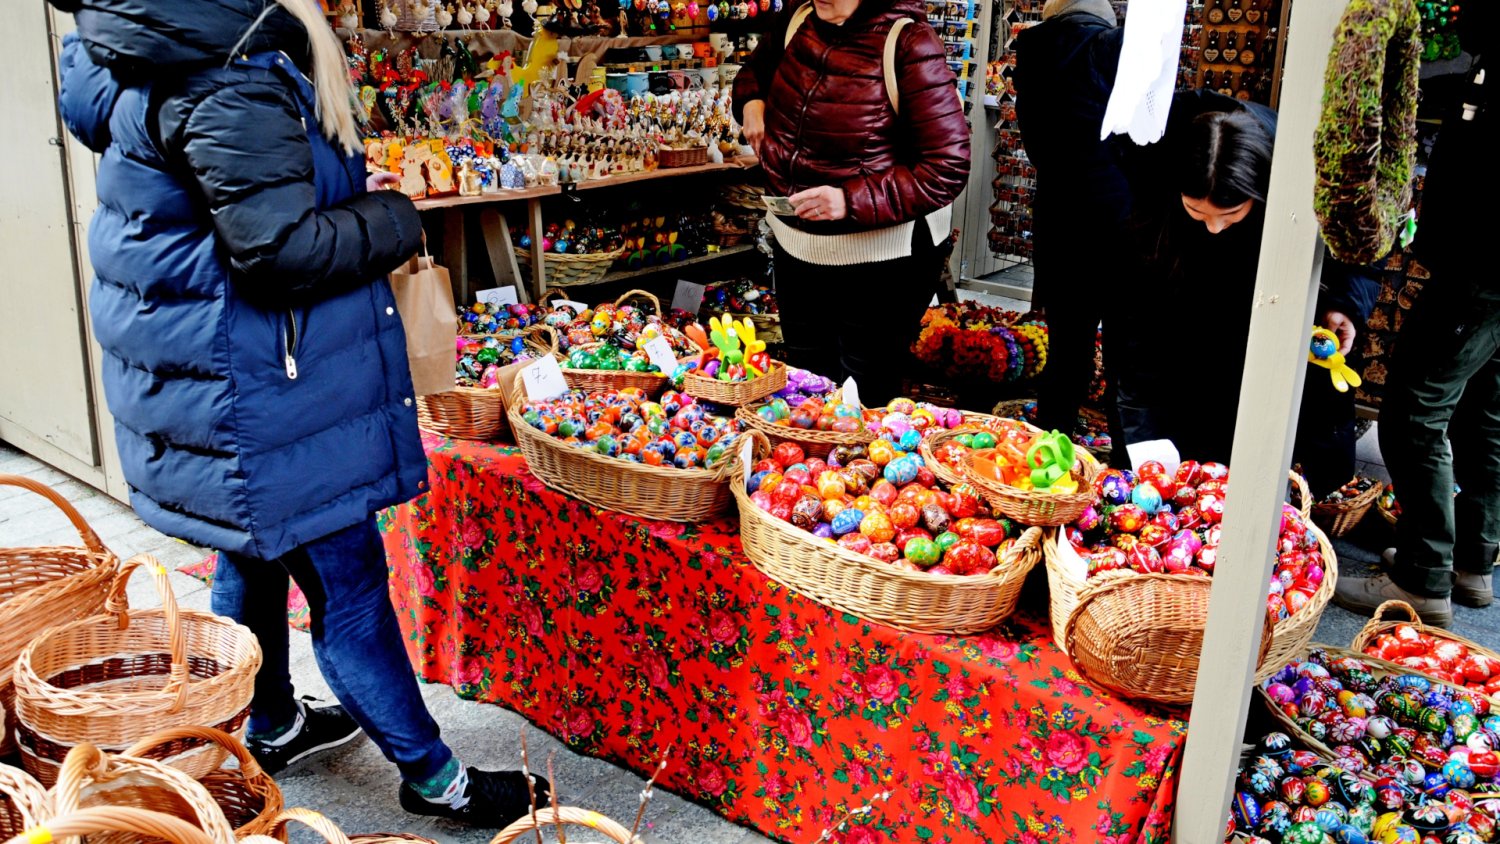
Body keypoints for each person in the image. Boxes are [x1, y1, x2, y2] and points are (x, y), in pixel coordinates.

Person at [51, 0, 547, 825]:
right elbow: (278, 250)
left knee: (255, 549)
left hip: (216, 381)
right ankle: (436, 779)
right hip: (258, 389)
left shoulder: (150, 54)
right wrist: (392, 219)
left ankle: (269, 720)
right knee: (348, 583)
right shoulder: (227, 79)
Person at [1113, 90, 1378, 491]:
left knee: (1258, 475)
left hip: (1268, 339)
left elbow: (1357, 255)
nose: (1214, 227)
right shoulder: (1154, 205)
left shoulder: (1307, 181)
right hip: (1185, 342)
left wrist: (1344, 304)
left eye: (1231, 214)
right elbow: (1137, 340)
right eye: (1196, 211)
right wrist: (1143, 451)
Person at [1334, 15, 1494, 629]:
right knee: (1485, 414)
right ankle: (1470, 563)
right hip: (1483, 267)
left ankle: (1425, 574)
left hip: (1478, 267)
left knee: (1412, 411)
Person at [733, 0, 970, 406]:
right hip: (798, 248)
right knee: (806, 392)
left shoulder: (908, 42)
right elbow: (754, 72)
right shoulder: (799, 19)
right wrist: (751, 102)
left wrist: (848, 200)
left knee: (865, 400)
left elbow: (947, 165)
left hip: (882, 263)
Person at [1013, 0, 1128, 439]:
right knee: (1123, 349)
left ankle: (1053, 441)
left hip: (1059, 213)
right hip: (1119, 217)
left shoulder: (1034, 51)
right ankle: (1126, 464)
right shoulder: (1109, 49)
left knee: (1067, 342)